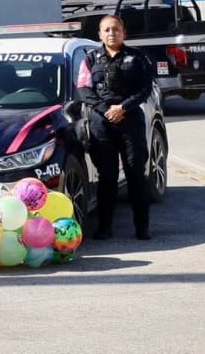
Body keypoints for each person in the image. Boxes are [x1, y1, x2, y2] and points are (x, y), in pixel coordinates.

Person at [80, 14, 154, 240]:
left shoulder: (138, 58)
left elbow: (145, 89)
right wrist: (106, 110)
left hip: (130, 121)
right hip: (101, 124)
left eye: (116, 29)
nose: (112, 33)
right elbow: (84, 89)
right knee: (107, 176)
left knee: (135, 175)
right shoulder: (90, 59)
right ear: (99, 34)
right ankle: (104, 228)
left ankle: (142, 228)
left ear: (124, 33)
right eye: (107, 30)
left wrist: (123, 107)